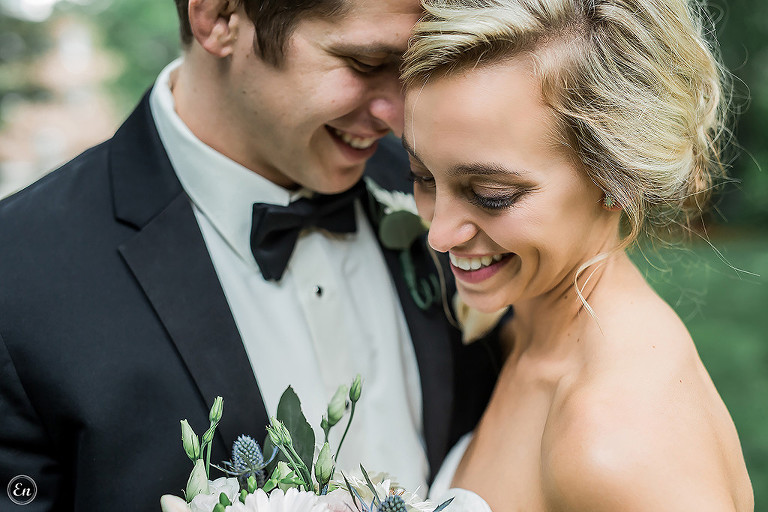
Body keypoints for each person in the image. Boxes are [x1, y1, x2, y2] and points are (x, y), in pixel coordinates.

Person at [0, 0, 502, 509]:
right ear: (219, 18)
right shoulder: (17, 276)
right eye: (366, 64)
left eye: (411, 65)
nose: (398, 116)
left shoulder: (447, 191)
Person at [401, 0, 754, 510]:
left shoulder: (614, 446)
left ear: (615, 175)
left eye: (491, 194)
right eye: (423, 177)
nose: (439, 234)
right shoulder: (524, 329)